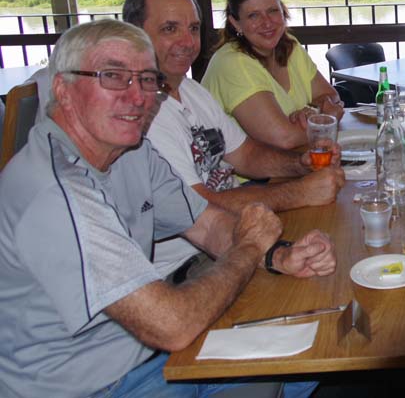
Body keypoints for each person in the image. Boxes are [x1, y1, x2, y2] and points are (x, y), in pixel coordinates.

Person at [0, 20, 333, 397]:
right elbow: (173, 326)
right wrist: (251, 247)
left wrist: (279, 256)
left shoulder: (131, 152)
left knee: (312, 347)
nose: (137, 96)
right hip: (91, 387)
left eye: (146, 80)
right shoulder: (54, 192)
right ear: (63, 89)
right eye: (113, 77)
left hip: (147, 357)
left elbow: (206, 225)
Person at [122, 0, 345, 278]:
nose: (187, 41)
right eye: (170, 29)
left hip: (234, 233)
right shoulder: (139, 116)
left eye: (193, 28)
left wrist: (301, 164)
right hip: (184, 266)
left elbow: (246, 154)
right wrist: (301, 193)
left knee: (338, 247)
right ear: (134, 35)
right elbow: (200, 207)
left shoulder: (190, 91)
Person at [202, 0, 344, 150]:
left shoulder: (290, 46)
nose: (267, 23)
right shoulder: (232, 63)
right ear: (236, 23)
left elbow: (330, 96)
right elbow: (284, 138)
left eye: (272, 11)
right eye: (254, 15)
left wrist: (311, 111)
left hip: (293, 159)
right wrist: (327, 121)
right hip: (240, 169)